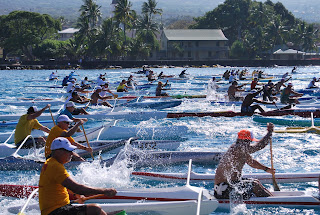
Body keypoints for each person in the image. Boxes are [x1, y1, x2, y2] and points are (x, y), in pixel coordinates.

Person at [39, 137, 118, 215]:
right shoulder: (55, 166)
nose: (72, 154)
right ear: (58, 151)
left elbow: (63, 185)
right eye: (69, 151)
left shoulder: (50, 163)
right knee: (95, 209)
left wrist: (77, 195)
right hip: (55, 211)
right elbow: (77, 188)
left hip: (59, 208)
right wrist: (105, 191)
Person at [214, 123, 275, 200]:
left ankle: (272, 198)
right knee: (254, 185)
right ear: (245, 140)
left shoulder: (240, 150)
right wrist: (269, 132)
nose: (250, 143)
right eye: (249, 141)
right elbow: (259, 146)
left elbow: (252, 162)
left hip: (230, 185)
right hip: (222, 190)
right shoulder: (237, 148)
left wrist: (267, 169)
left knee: (256, 181)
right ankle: (272, 201)